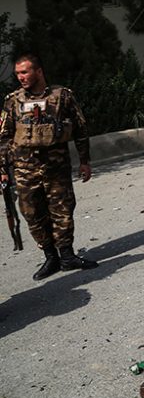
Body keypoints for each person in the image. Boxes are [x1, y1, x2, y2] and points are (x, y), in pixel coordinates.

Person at [0, 54, 97, 280]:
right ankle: (50, 256)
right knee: (32, 214)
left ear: (39, 71)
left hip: (56, 167)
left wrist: (84, 161)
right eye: (18, 74)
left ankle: (67, 255)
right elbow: (4, 136)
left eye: (24, 72)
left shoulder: (62, 96)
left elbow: (80, 129)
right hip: (24, 170)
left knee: (62, 211)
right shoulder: (13, 100)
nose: (20, 77)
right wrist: (3, 168)